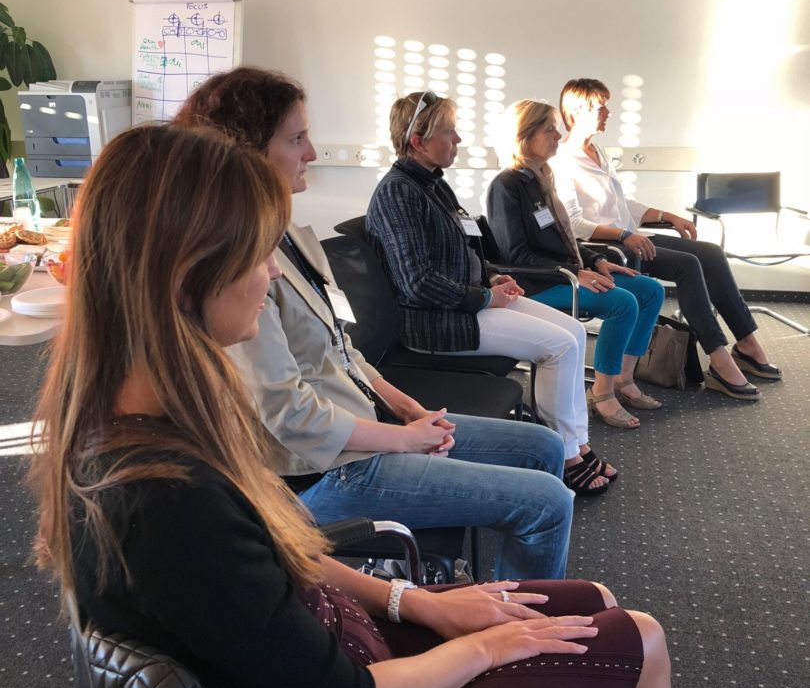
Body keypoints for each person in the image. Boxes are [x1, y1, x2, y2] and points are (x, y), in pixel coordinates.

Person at [32, 121, 729, 688]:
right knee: (642, 640)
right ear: (186, 277)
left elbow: (279, 555)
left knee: (590, 602)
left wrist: (418, 601)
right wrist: (483, 649)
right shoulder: (166, 501)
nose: (270, 272)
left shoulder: (147, 427)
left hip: (340, 663)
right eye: (255, 255)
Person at [173, 67, 571, 577]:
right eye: (296, 139)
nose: (312, 152)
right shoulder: (238, 264)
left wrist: (405, 407)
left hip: (362, 425)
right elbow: (286, 413)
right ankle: (518, 623)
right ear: (246, 151)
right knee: (546, 503)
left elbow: (341, 347)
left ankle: (507, 596)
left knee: (543, 446)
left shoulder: (289, 236)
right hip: (322, 471)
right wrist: (403, 438)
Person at [365, 90, 615, 496]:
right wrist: (483, 297)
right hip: (436, 321)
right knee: (558, 347)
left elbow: (461, 253)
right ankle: (566, 456)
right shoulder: (399, 192)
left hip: (463, 304)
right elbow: (417, 282)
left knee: (572, 332)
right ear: (419, 142)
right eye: (450, 132)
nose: (458, 139)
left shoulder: (432, 185)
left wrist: (490, 279)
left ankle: (578, 444)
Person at [554, 78, 782, 402]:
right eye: (601, 107)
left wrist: (668, 215)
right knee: (688, 265)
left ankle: (746, 343)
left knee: (711, 253)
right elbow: (573, 223)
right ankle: (719, 357)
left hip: (632, 237)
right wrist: (623, 234)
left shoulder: (597, 152)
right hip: (608, 247)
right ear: (578, 111)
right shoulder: (562, 160)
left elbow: (624, 205)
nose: (608, 112)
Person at [488, 100, 666, 429]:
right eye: (550, 129)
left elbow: (564, 239)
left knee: (650, 291)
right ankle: (602, 393)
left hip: (563, 275)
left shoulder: (542, 178)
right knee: (622, 303)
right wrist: (575, 273)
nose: (559, 135)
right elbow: (515, 256)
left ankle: (624, 380)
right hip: (536, 284)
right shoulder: (506, 185)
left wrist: (597, 260)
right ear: (525, 136)